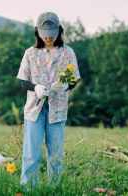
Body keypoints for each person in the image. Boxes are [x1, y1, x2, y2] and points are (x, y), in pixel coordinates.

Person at [17, 12, 81, 186]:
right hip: (34, 109)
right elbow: (22, 81)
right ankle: (29, 189)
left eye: (51, 35)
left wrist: (65, 86)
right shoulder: (30, 53)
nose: (48, 39)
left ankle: (55, 188)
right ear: (37, 32)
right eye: (45, 35)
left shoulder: (68, 52)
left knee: (56, 154)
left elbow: (74, 78)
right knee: (31, 153)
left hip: (57, 108)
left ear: (59, 31)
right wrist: (35, 88)